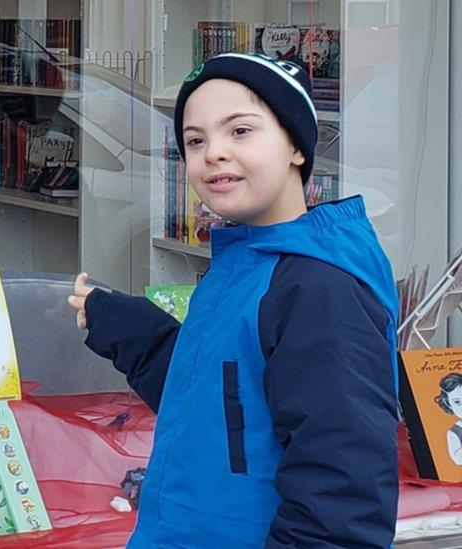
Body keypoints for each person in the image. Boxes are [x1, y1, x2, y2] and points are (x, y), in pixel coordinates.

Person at [67, 53, 399, 547]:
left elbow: (342, 494)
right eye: (195, 140)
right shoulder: (245, 265)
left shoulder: (318, 288)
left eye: (240, 131)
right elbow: (224, 413)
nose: (213, 152)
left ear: (296, 147)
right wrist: (138, 332)